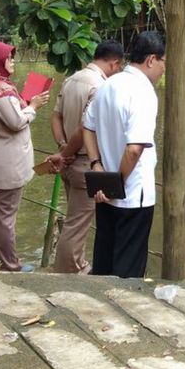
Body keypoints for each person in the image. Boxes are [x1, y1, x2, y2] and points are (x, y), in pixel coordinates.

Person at [82, 30, 165, 278]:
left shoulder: (110, 83)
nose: (163, 69)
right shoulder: (143, 92)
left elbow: (87, 127)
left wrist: (97, 165)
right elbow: (134, 148)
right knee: (128, 269)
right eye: (163, 62)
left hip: (105, 191)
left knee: (104, 260)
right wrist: (117, 184)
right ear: (151, 59)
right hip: (132, 195)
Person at [0, 41, 49, 272]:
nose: (12, 61)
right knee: (6, 216)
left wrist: (23, 103)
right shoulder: (2, 91)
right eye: (9, 57)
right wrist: (33, 106)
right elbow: (15, 122)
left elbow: (6, 115)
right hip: (7, 164)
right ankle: (11, 265)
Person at [48, 40, 125, 274]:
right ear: (114, 63)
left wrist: (62, 148)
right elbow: (84, 129)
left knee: (74, 220)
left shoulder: (72, 79)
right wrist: (66, 153)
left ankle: (76, 265)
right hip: (84, 163)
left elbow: (56, 117)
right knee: (77, 225)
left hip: (70, 163)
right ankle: (69, 274)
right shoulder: (101, 87)